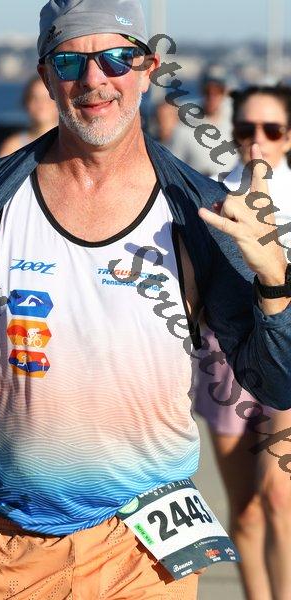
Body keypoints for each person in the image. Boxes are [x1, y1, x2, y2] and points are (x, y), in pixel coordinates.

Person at [0, 2, 290, 598]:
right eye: (71, 61)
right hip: (0, 544)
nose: (95, 78)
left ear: (148, 69)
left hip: (145, 551)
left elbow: (277, 384)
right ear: (46, 75)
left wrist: (275, 281)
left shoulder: (198, 212)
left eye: (117, 59)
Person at [194, 84, 291, 600]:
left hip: (287, 354)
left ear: (288, 136)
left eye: (271, 129)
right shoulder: (211, 198)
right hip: (223, 357)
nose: (258, 141)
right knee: (247, 511)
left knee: (279, 496)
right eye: (246, 128)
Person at [170, 65, 238, 176]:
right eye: (208, 91)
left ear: (226, 92)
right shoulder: (184, 129)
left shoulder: (236, 125)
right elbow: (172, 169)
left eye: (218, 91)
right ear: (201, 91)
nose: (212, 96)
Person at [0, 74, 59, 157]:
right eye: (34, 98)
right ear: (26, 103)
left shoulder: (70, 142)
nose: (41, 104)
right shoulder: (13, 146)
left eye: (47, 98)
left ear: (59, 101)